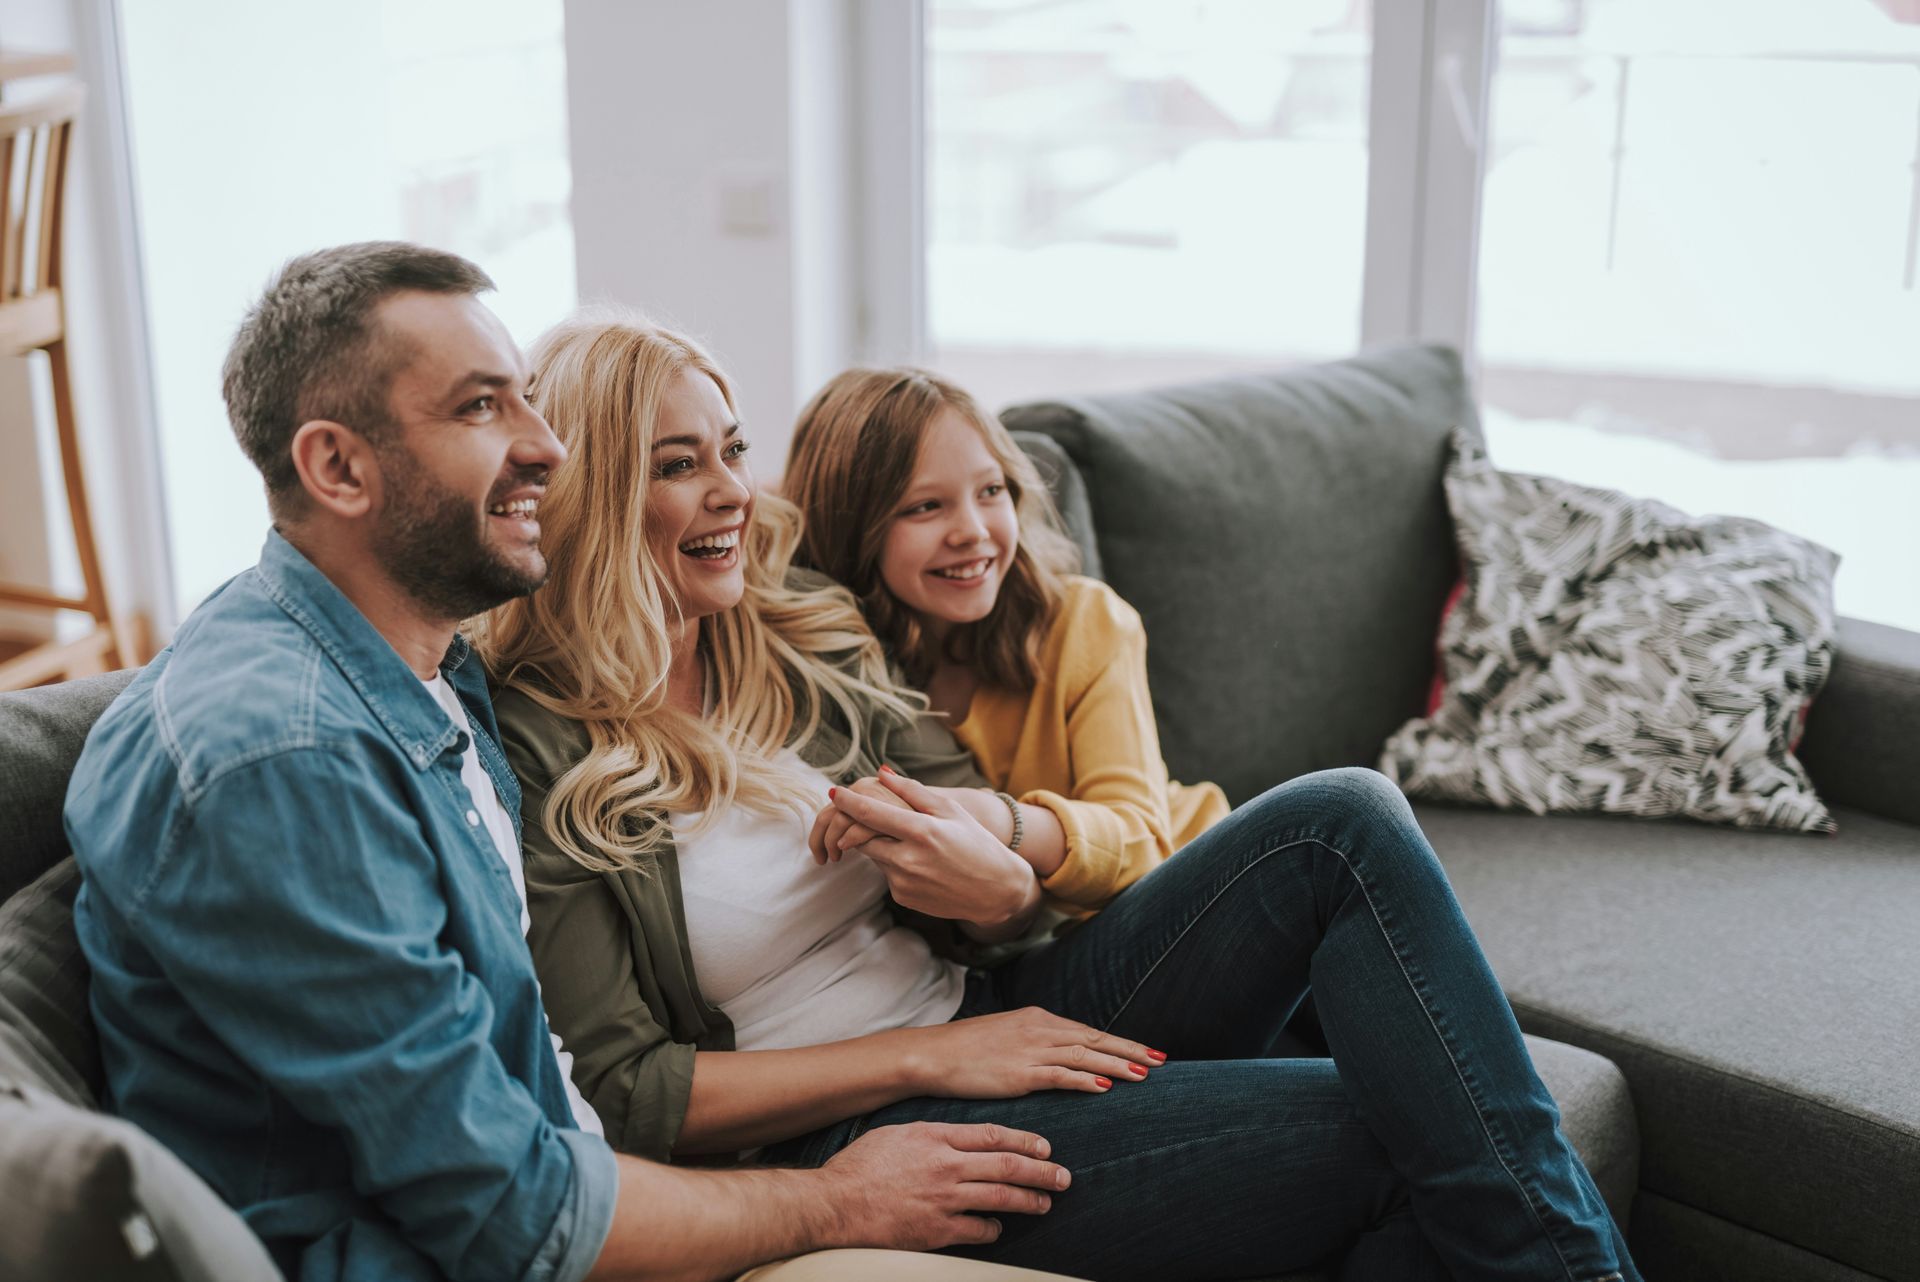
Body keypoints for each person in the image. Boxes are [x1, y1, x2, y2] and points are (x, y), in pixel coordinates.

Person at [486, 318, 1642, 1282]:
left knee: (1342, 819)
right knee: (1416, 1122)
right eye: (679, 463)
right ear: (588, 493)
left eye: (732, 449)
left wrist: (993, 897)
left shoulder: (790, 629)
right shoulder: (537, 741)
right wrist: (925, 1061)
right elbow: (625, 1093)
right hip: (860, 1110)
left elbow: (1002, 881)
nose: (734, 490)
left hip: (1003, 998)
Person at [65, 243, 1073, 1282]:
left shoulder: (424, 669)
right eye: (481, 408)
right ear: (337, 468)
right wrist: (841, 1198)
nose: (547, 447)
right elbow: (516, 1211)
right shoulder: (288, 764)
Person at [783, 368, 1225, 910]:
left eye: (990, 491)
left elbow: (1143, 842)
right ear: (848, 528)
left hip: (1191, 879)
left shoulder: (1084, 621)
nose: (973, 529)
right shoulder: (843, 661)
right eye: (925, 506)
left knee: (1339, 809)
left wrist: (990, 816)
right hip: (1057, 952)